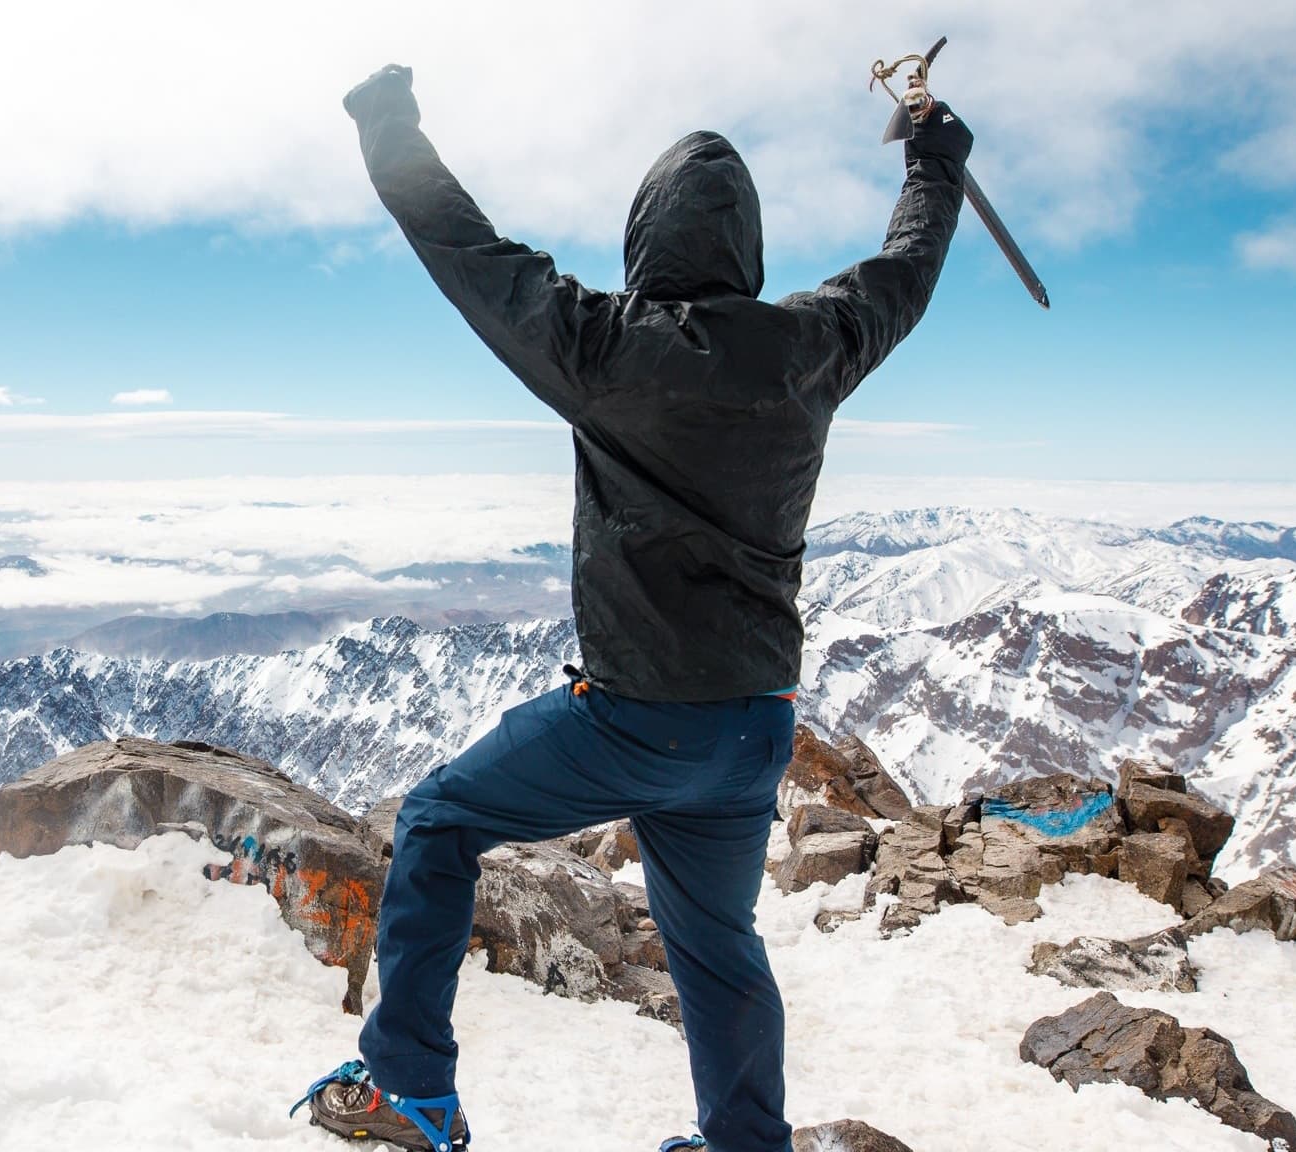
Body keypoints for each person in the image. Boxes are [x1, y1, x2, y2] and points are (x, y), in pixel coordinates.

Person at [293, 64, 971, 1152]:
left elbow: (460, 246)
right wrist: (933, 161)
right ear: (744, 246)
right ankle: (744, 1141)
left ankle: (410, 1086)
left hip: (634, 719)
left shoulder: (600, 346)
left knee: (437, 820)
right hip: (754, 728)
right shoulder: (814, 346)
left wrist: (386, 124)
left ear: (642, 239)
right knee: (715, 943)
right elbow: (908, 267)